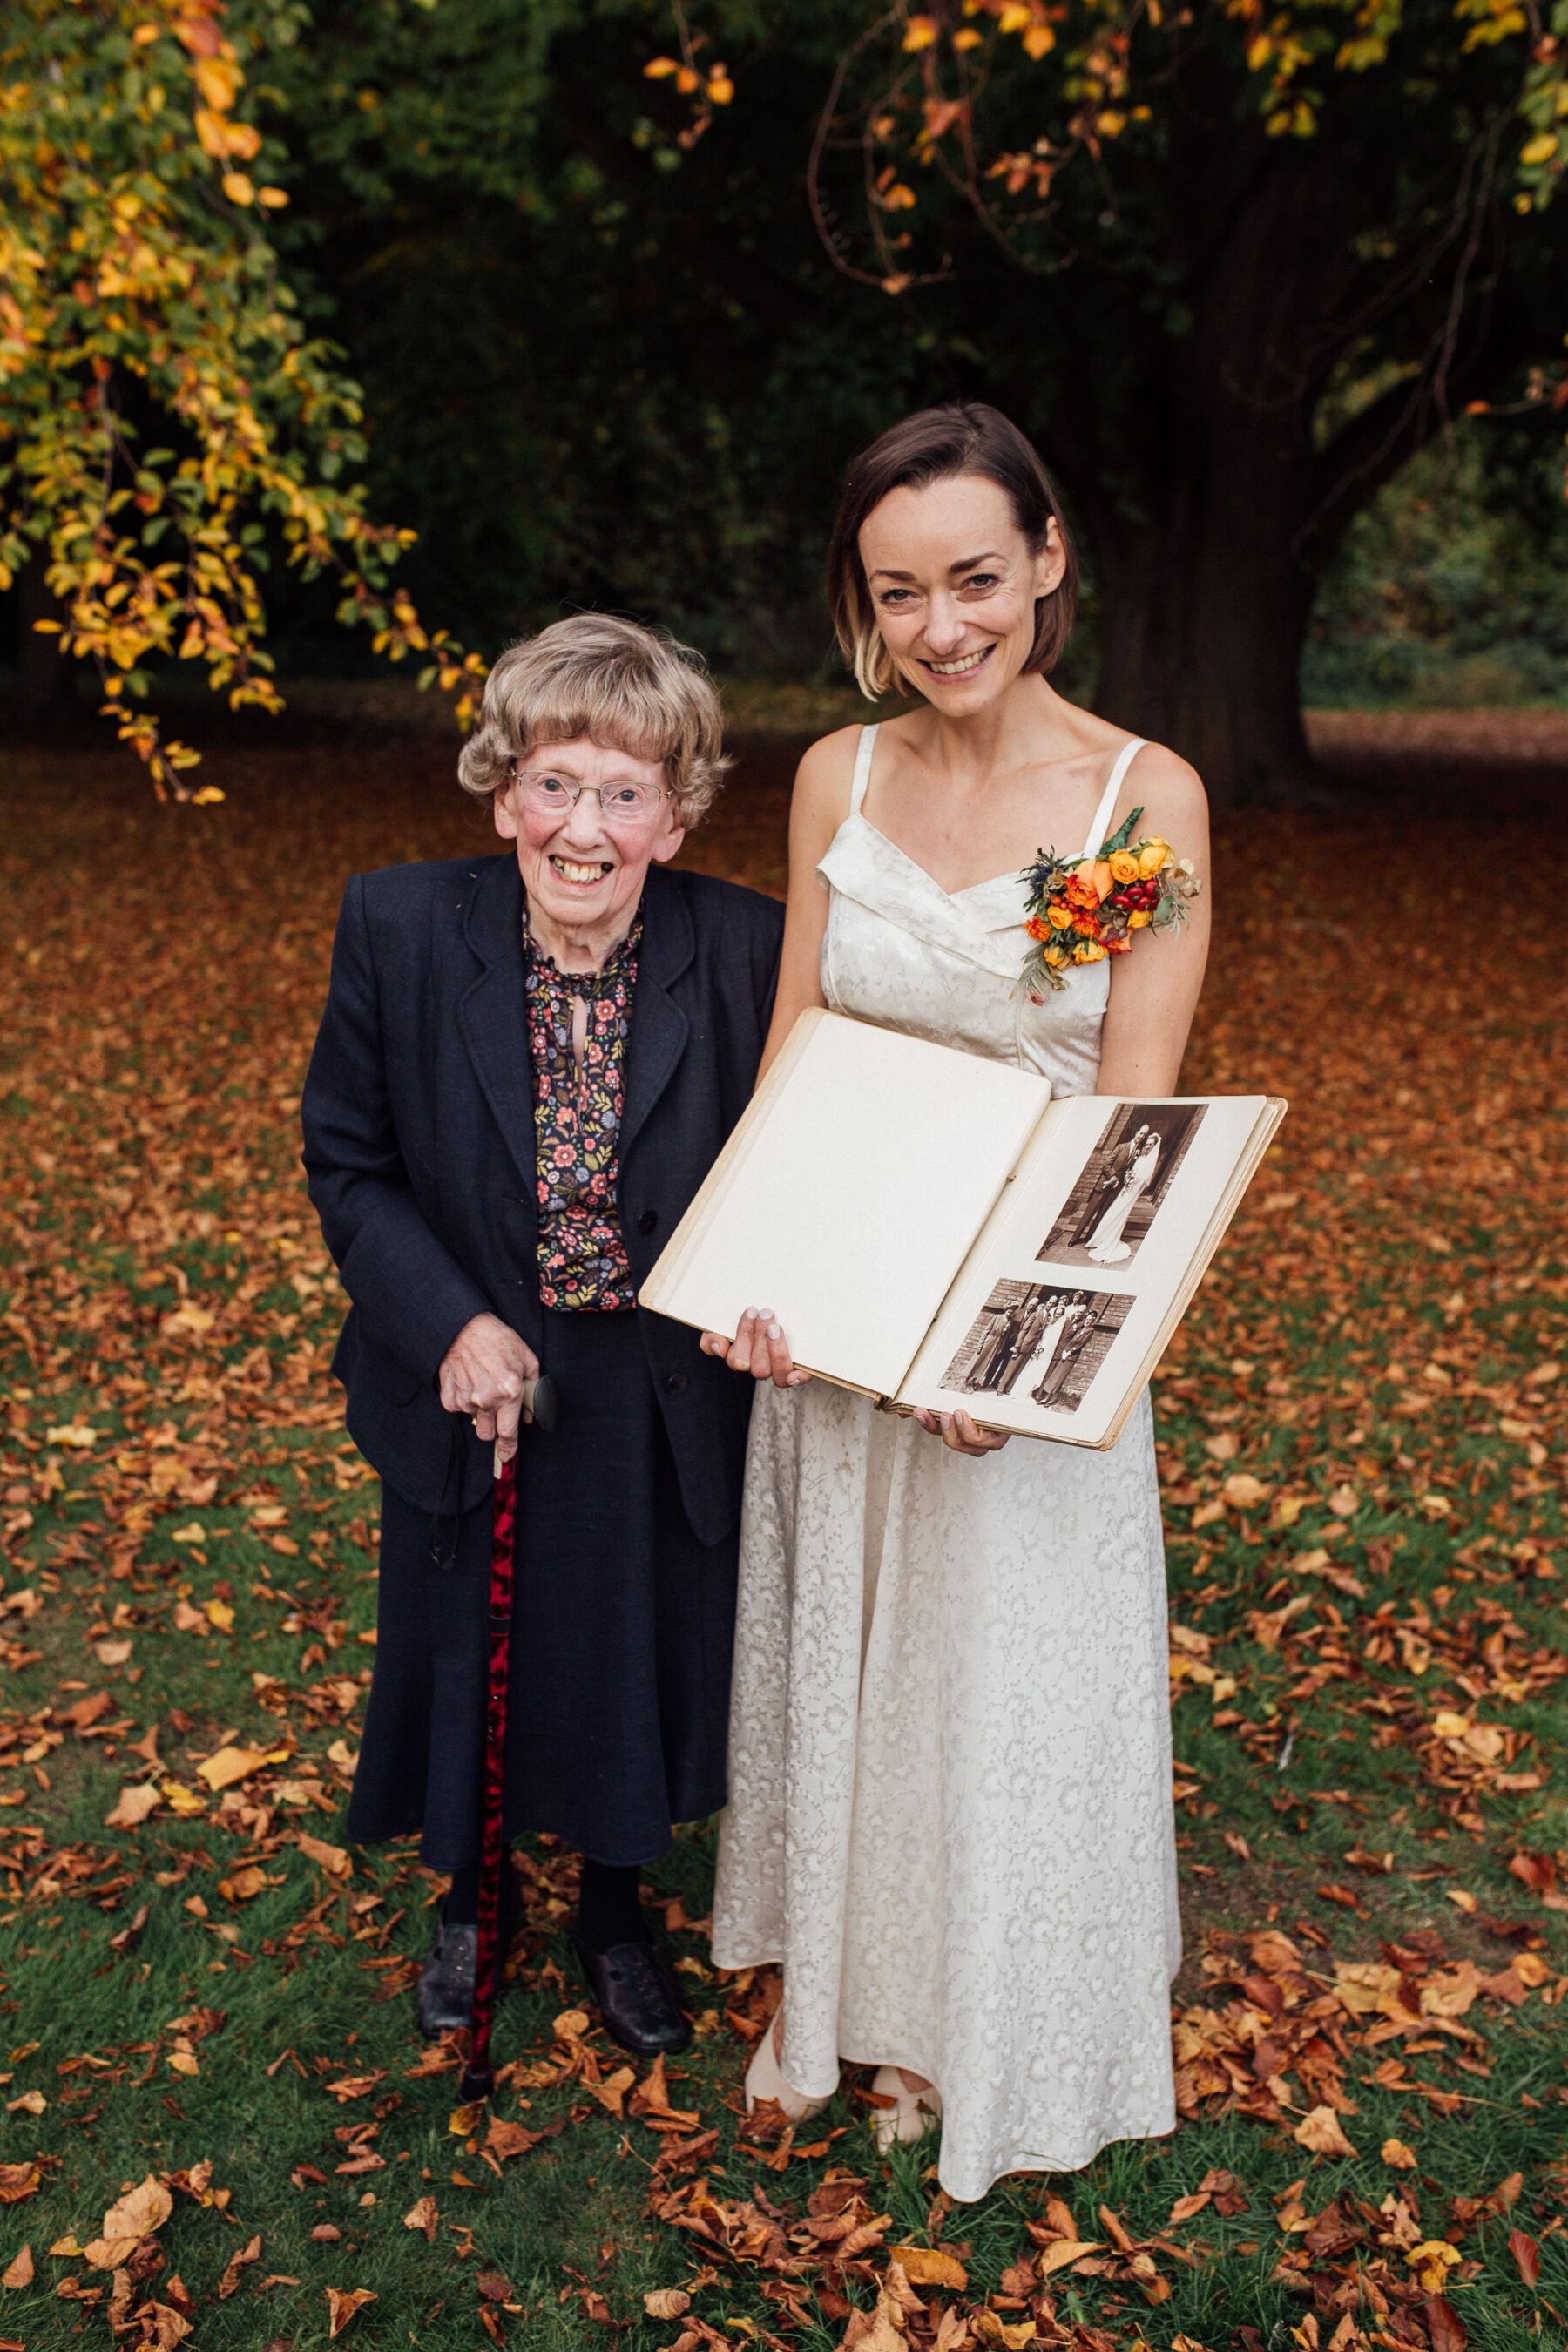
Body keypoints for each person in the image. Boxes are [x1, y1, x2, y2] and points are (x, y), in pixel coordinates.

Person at [702, 402, 1210, 2200]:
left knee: (988, 1684)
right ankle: (839, 1988)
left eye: (976, 578)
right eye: (899, 590)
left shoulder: (1144, 801)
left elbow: (1133, 1122)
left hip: (1031, 1328)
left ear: (1050, 558)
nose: (941, 626)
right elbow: (794, 1051)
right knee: (858, 1665)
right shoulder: (834, 779)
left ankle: (971, 2023)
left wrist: (1013, 1359)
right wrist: (756, 1277)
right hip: (842, 1313)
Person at [301, 616, 784, 2058]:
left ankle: (618, 1908)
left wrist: (784, 1295)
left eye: (625, 793)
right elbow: (350, 1159)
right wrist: (450, 1323)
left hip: (655, 1377)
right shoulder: (398, 925)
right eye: (557, 785)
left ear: (677, 814)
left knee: (634, 1646)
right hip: (473, 1360)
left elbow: (794, 1163)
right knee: (465, 1639)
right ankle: (470, 1891)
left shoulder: (750, 947)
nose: (587, 828)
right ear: (503, 790)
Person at [1086, 1128, 1162, 1265]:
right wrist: (1128, 1177)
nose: (1147, 1146)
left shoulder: (1150, 1162)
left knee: (1119, 1214)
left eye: (1151, 1144)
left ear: (1154, 1146)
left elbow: (1145, 1180)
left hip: (1131, 1192)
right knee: (1112, 1212)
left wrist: (1132, 1180)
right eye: (1147, 1143)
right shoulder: (1141, 1157)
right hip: (1125, 1190)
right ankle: (1100, 1239)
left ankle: (1108, 1241)